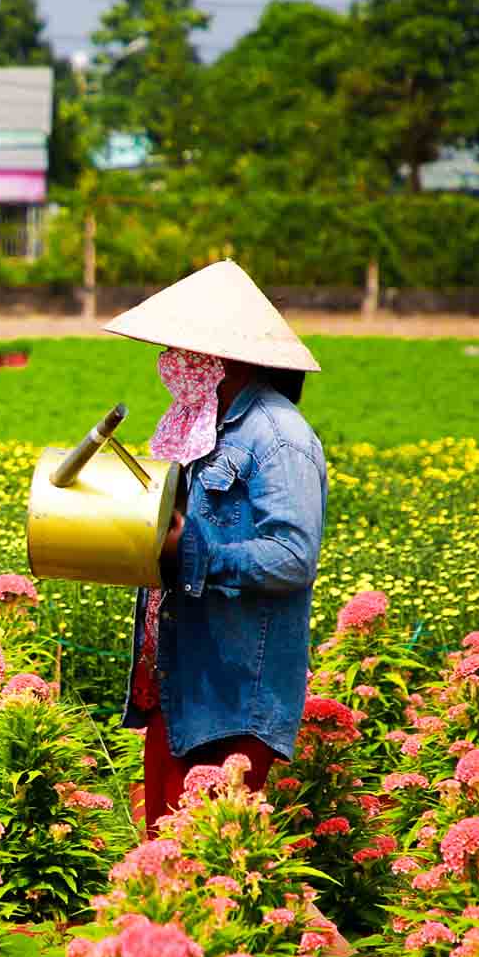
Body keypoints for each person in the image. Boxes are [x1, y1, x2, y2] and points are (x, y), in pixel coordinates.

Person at [103, 260, 328, 830]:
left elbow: (293, 556)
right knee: (162, 853)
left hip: (233, 694)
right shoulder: (198, 424)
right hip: (179, 682)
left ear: (226, 358)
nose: (172, 363)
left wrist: (196, 552)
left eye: (187, 350)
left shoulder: (278, 437)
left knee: (206, 861)